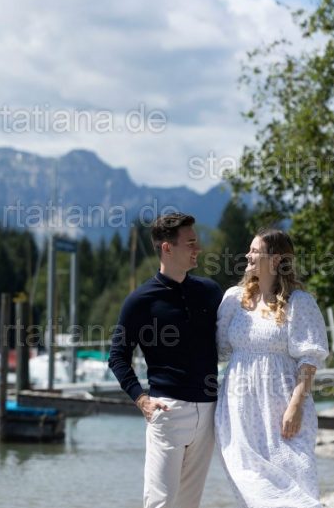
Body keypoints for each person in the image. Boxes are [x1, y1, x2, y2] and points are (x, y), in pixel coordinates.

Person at [108, 212, 223, 508]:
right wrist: (141, 399)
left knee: (189, 504)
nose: (198, 249)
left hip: (209, 411)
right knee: (160, 502)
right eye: (191, 243)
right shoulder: (140, 301)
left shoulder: (210, 292)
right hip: (168, 411)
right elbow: (118, 356)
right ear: (167, 248)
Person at [215, 228, 329, 508]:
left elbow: (310, 358)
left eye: (255, 251)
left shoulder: (299, 302)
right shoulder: (234, 299)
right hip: (239, 408)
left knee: (295, 474)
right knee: (250, 481)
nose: (247, 256)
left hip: (281, 406)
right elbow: (218, 348)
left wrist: (295, 406)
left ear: (276, 260)